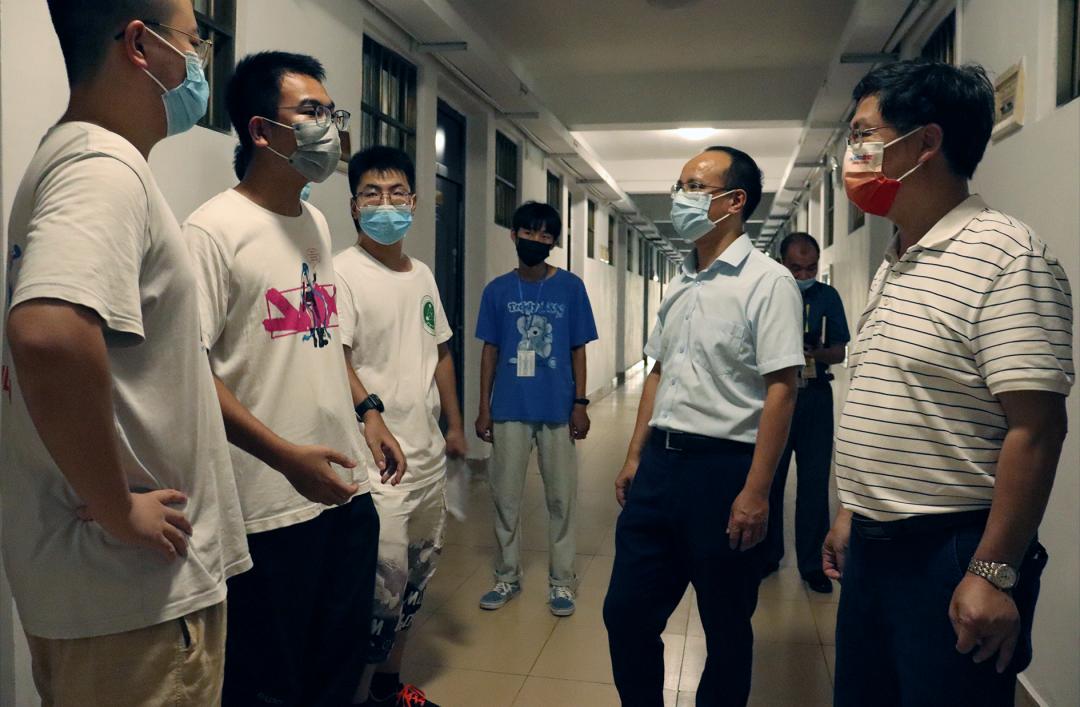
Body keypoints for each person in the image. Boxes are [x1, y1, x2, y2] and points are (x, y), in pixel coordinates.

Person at [1, 1, 250, 704]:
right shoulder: (103, 167)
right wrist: (118, 509)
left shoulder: (72, 156)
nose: (199, 63)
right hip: (134, 595)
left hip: (101, 592)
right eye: (194, 42)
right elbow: (48, 332)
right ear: (141, 44)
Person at [823, 59, 1073, 707]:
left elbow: (1038, 428)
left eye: (864, 134)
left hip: (951, 551)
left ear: (926, 142)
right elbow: (897, 400)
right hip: (874, 548)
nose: (853, 153)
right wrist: (853, 510)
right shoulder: (898, 257)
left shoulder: (1008, 257)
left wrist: (993, 570)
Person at [184, 52, 403, 706]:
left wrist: (367, 410)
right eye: (312, 113)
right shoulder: (212, 232)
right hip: (266, 509)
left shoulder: (316, 222)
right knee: (268, 685)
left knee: (336, 672)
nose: (330, 129)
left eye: (332, 114)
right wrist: (284, 457)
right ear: (261, 130)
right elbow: (190, 372)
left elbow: (322, 338)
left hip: (343, 492)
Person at [603, 147, 804, 707]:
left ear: (734, 201)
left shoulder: (769, 282)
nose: (679, 197)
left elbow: (782, 389)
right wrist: (634, 455)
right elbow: (658, 371)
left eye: (694, 186)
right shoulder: (682, 282)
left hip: (725, 473)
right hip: (659, 469)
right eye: (680, 185)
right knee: (626, 613)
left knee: (726, 626)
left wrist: (758, 491)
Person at [335, 146, 466, 707]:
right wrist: (372, 413)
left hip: (428, 459)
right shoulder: (342, 272)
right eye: (371, 193)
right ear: (354, 206)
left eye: (395, 193)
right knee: (376, 596)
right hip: (378, 469)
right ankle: (354, 695)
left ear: (413, 203)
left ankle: (388, 690)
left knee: (413, 584)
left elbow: (441, 353)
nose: (384, 204)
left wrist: (454, 426)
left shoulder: (423, 274)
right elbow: (336, 359)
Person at [474, 201, 598, 617]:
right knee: (505, 498)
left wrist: (580, 403)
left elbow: (578, 349)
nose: (536, 240)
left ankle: (562, 582)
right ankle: (506, 576)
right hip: (509, 407)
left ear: (553, 243)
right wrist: (484, 407)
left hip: (557, 409)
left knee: (561, 499)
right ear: (514, 235)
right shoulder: (497, 291)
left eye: (545, 235)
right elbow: (490, 351)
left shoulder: (571, 288)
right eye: (529, 232)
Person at [761, 232, 850, 593]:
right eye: (795, 268)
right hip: (775, 394)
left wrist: (814, 352)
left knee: (814, 483)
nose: (803, 275)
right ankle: (767, 556)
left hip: (814, 395)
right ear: (781, 263)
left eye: (811, 268)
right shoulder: (768, 294)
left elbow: (840, 351)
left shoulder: (827, 297)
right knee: (770, 478)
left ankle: (813, 564)